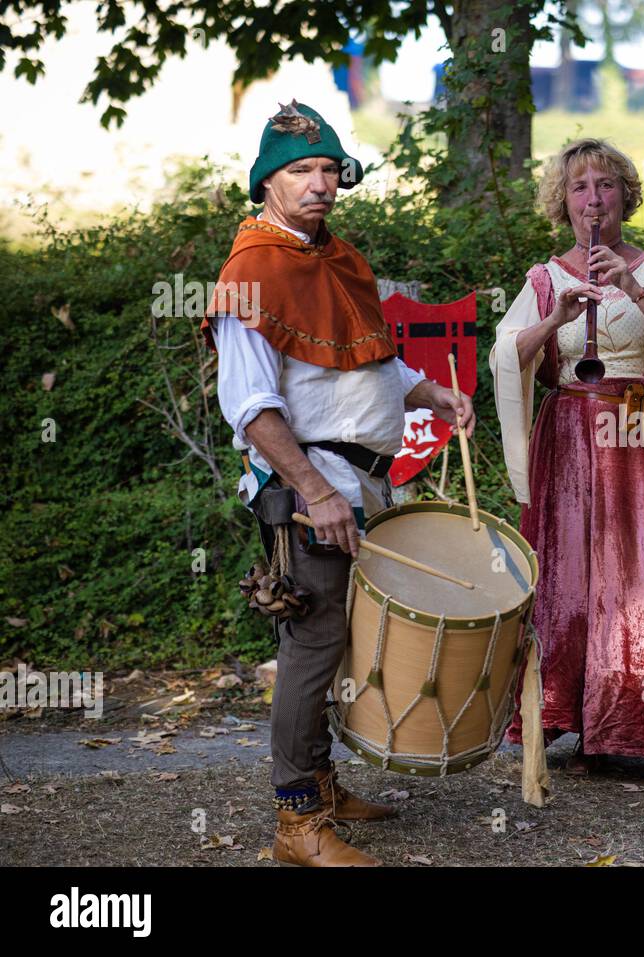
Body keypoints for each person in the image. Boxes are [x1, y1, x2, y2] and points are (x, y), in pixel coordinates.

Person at [201, 99, 474, 865]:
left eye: (327, 168)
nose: (318, 183)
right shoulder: (251, 273)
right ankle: (297, 822)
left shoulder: (338, 257)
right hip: (311, 488)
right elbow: (252, 409)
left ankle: (321, 786)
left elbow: (371, 364)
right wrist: (316, 493)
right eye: (300, 171)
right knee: (313, 644)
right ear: (267, 184)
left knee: (345, 641)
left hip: (361, 485)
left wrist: (430, 394)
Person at [490, 138, 644, 790]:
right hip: (568, 435)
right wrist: (553, 316)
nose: (594, 197)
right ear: (563, 201)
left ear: (626, 194)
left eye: (606, 185)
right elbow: (508, 357)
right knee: (573, 580)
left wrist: (636, 293)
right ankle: (592, 721)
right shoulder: (543, 279)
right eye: (580, 187)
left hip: (640, 420)